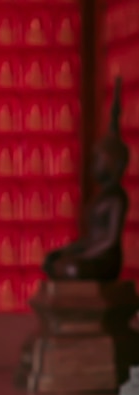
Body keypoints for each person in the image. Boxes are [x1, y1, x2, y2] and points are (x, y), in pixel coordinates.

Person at [42, 76, 129, 281]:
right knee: (54, 262)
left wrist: (81, 256)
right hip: (90, 252)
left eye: (97, 160)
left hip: (105, 259)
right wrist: (67, 250)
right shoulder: (102, 196)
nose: (93, 165)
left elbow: (109, 240)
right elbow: (91, 237)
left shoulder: (116, 198)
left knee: (72, 269)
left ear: (111, 164)